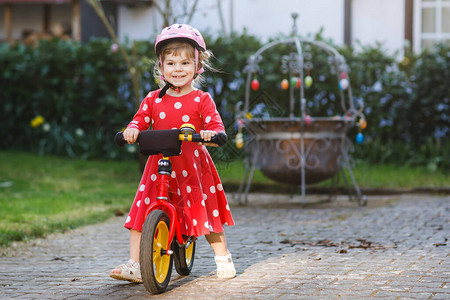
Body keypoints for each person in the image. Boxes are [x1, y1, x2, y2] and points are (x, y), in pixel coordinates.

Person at [110, 24, 236, 283]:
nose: (178, 69)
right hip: (159, 166)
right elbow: (140, 120)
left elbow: (215, 124)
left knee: (206, 214)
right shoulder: (153, 99)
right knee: (141, 214)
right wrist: (132, 130)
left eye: (185, 63)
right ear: (161, 67)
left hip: (191, 167)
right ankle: (136, 264)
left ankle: (223, 258)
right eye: (171, 63)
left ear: (197, 66)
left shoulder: (202, 99)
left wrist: (212, 133)